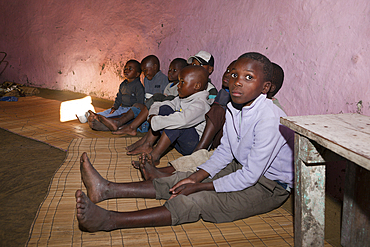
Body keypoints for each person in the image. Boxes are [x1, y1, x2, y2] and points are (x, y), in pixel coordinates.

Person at [75, 52, 294, 232]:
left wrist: (202, 186)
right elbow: (226, 151)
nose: (237, 82)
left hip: (269, 186)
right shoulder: (234, 108)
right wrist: (195, 177)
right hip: (242, 166)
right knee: (183, 179)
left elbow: (250, 177)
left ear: (265, 88)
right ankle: (106, 189)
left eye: (248, 78)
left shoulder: (270, 118)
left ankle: (110, 221)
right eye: (235, 75)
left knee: (197, 199)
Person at [126, 65, 211, 166]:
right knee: (165, 109)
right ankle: (147, 144)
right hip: (179, 143)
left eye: (182, 82)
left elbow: (183, 121)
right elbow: (161, 104)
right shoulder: (183, 98)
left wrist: (155, 121)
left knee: (175, 123)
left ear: (197, 86)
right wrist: (153, 115)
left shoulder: (201, 104)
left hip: (192, 146)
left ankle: (154, 156)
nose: (178, 86)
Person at [97, 58, 188, 135]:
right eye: (169, 69)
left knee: (139, 111)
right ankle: (117, 124)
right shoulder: (168, 85)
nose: (170, 72)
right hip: (148, 106)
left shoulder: (166, 81)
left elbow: (165, 101)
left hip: (157, 109)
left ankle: (117, 125)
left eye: (174, 70)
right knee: (136, 106)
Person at [86, 60, 144, 131]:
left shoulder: (138, 86)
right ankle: (91, 116)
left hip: (129, 110)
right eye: (125, 68)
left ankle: (100, 119)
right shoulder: (123, 84)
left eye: (130, 69)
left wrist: (129, 113)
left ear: (137, 74)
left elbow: (139, 103)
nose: (126, 70)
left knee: (115, 115)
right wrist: (114, 107)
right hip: (121, 107)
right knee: (108, 111)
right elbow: (119, 97)